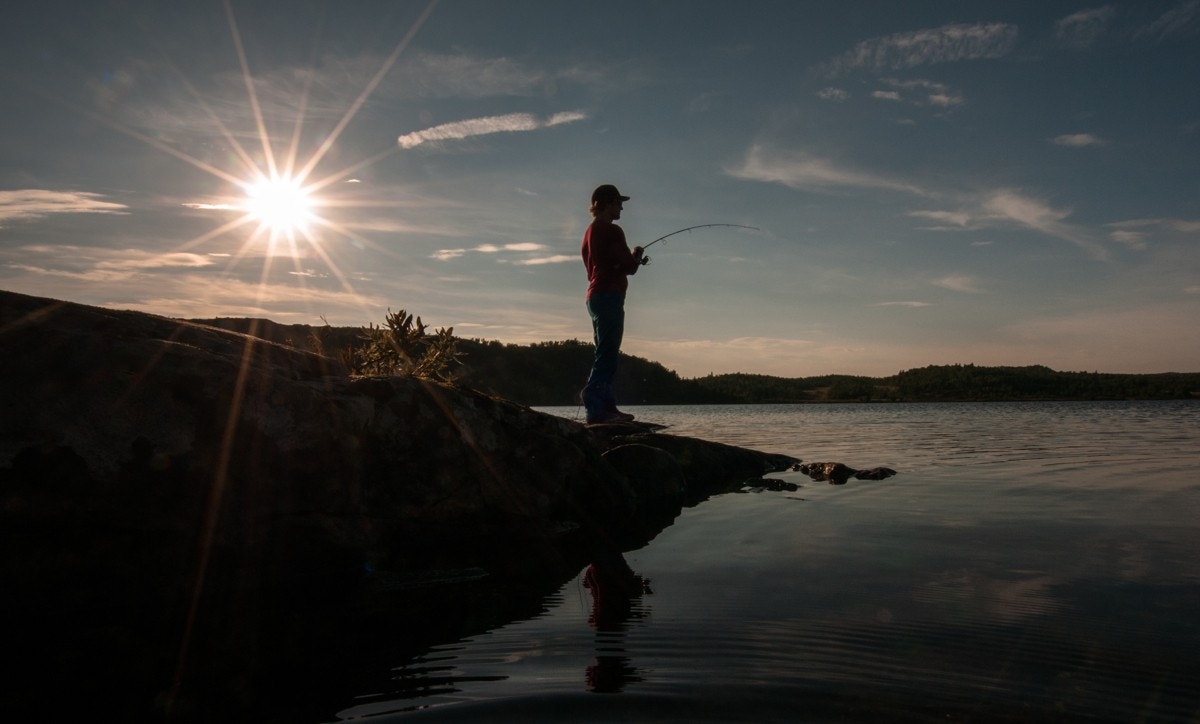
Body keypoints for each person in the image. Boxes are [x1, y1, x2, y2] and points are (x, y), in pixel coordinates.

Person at [580, 184, 648, 424]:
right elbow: (629, 267)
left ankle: (606, 407)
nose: (621, 208)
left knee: (604, 351)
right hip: (609, 295)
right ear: (607, 203)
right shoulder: (612, 231)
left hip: (594, 296)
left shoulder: (589, 232)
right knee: (608, 353)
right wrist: (636, 255)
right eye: (619, 203)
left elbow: (601, 266)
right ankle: (597, 407)